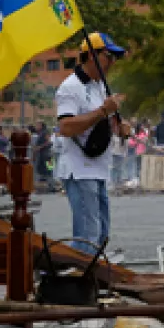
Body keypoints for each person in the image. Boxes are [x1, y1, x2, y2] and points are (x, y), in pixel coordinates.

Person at [54, 32, 129, 255]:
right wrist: (103, 111)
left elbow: (103, 122)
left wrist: (120, 128)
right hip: (79, 169)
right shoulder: (70, 87)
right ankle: (77, 269)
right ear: (91, 56)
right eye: (108, 56)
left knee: (102, 232)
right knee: (88, 235)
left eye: (115, 58)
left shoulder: (100, 86)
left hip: (98, 168)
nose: (112, 63)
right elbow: (66, 127)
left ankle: (90, 267)